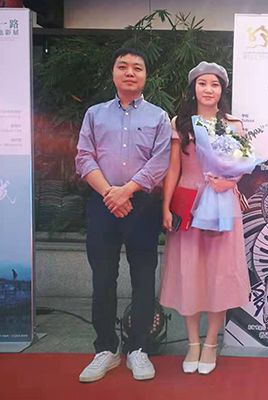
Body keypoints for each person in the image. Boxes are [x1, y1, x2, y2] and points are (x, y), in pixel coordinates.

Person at [75, 48, 171, 382]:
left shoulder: (159, 117)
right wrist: (110, 193)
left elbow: (160, 161)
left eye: (137, 68)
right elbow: (84, 157)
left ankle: (138, 349)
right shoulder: (95, 114)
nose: (130, 72)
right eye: (123, 66)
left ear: (146, 75)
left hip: (142, 206)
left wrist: (126, 191)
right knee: (103, 278)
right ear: (114, 73)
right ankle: (105, 349)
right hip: (102, 203)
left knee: (143, 278)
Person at [159, 61, 251, 375]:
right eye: (202, 83)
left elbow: (241, 164)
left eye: (214, 84)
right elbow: (174, 168)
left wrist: (231, 181)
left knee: (219, 273)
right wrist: (166, 206)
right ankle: (192, 343)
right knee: (189, 271)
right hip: (188, 204)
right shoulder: (180, 123)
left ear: (222, 90)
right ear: (193, 88)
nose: (208, 89)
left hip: (222, 205)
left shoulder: (233, 125)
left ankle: (211, 343)